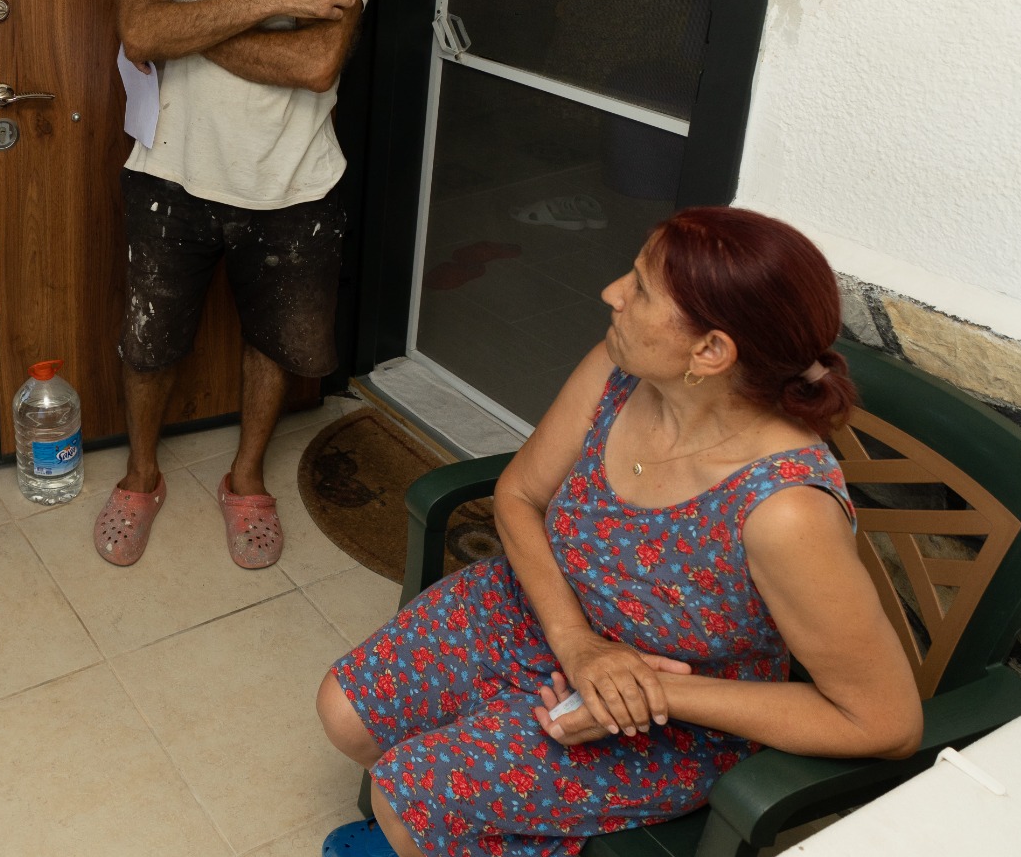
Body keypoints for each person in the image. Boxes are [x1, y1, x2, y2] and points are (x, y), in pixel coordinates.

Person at [315, 207, 923, 857]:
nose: (612, 293)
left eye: (639, 287)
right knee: (346, 716)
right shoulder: (619, 367)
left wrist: (647, 688)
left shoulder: (783, 508)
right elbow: (518, 494)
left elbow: (885, 720)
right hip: (540, 608)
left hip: (666, 713)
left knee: (407, 799)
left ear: (711, 350)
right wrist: (575, 641)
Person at [96, 0, 383, 570]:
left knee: (277, 347)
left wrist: (189, 25)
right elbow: (139, 29)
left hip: (295, 179)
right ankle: (141, 475)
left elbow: (318, 60)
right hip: (169, 170)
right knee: (149, 340)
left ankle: (246, 477)